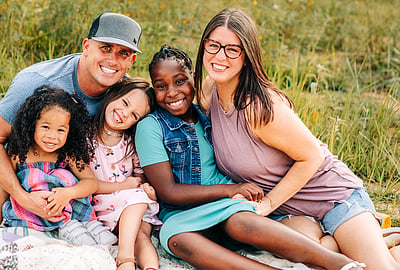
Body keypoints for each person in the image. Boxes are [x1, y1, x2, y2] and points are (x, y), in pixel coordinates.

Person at [194, 8, 400, 269]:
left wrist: (267, 203)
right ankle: (369, 239)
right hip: (290, 210)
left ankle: (373, 241)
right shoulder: (208, 92)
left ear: (246, 56)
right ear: (204, 46)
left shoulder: (258, 107)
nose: (219, 56)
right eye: (213, 45)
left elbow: (312, 155)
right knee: (317, 261)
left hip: (332, 197)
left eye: (232, 49)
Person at [135, 44, 365, 270]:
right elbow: (168, 192)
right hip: (183, 213)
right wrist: (230, 190)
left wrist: (233, 195)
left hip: (226, 207)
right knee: (174, 238)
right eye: (160, 86)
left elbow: (223, 78)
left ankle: (340, 264)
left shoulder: (206, 115)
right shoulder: (151, 127)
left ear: (192, 78)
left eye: (180, 81)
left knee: (239, 222)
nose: (172, 92)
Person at [0, 12, 142, 221]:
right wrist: (22, 196)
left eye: (123, 54)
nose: (112, 60)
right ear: (86, 47)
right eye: (105, 48)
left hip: (80, 185)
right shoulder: (37, 82)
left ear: (132, 60)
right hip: (24, 179)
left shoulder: (124, 97)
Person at [0, 85, 116, 245]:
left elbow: (91, 183)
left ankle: (83, 224)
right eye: (45, 127)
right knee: (32, 179)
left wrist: (68, 193)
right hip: (31, 212)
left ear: (70, 130)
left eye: (61, 130)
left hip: (67, 207)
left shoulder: (68, 154)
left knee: (65, 177)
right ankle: (65, 227)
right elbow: (5, 186)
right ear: (33, 124)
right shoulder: (20, 153)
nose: (52, 136)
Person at [89, 77, 162, 270]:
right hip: (102, 204)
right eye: (125, 103)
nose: (124, 114)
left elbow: (139, 176)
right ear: (114, 94)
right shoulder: (87, 137)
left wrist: (145, 185)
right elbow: (85, 182)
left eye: (134, 115)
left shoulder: (130, 143)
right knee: (135, 205)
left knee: (141, 234)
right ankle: (125, 259)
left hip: (131, 205)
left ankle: (149, 267)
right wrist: (124, 186)